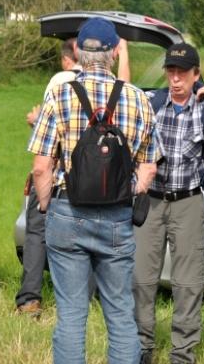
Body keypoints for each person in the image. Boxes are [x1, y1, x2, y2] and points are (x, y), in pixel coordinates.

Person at [28, 17, 157, 364]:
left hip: (68, 211)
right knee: (120, 315)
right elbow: (149, 169)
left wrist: (47, 204)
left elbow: (41, 167)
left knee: (71, 316)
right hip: (116, 218)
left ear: (77, 53)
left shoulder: (60, 95)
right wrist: (127, 192)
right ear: (115, 52)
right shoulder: (138, 99)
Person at [133, 43, 204, 364]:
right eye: (171, 71)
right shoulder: (152, 104)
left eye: (183, 72)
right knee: (141, 279)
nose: (176, 79)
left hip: (188, 202)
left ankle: (182, 358)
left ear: (196, 74)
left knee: (188, 283)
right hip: (151, 201)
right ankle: (141, 351)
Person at [17, 37, 128, 318]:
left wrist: (43, 200)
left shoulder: (60, 83)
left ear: (73, 55)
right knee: (92, 243)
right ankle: (86, 301)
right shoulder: (115, 88)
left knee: (37, 234)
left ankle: (30, 299)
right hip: (102, 183)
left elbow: (45, 144)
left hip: (58, 180)